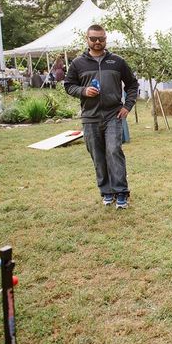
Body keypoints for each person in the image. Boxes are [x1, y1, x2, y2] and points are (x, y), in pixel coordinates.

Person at [64, 24, 138, 209]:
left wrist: (127, 106)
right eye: (94, 39)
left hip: (114, 115)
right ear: (86, 39)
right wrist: (83, 91)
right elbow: (68, 85)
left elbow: (132, 85)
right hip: (90, 117)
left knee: (114, 151)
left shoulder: (117, 61)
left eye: (101, 39)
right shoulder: (77, 63)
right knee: (97, 155)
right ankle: (106, 191)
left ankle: (121, 192)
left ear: (106, 39)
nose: (98, 42)